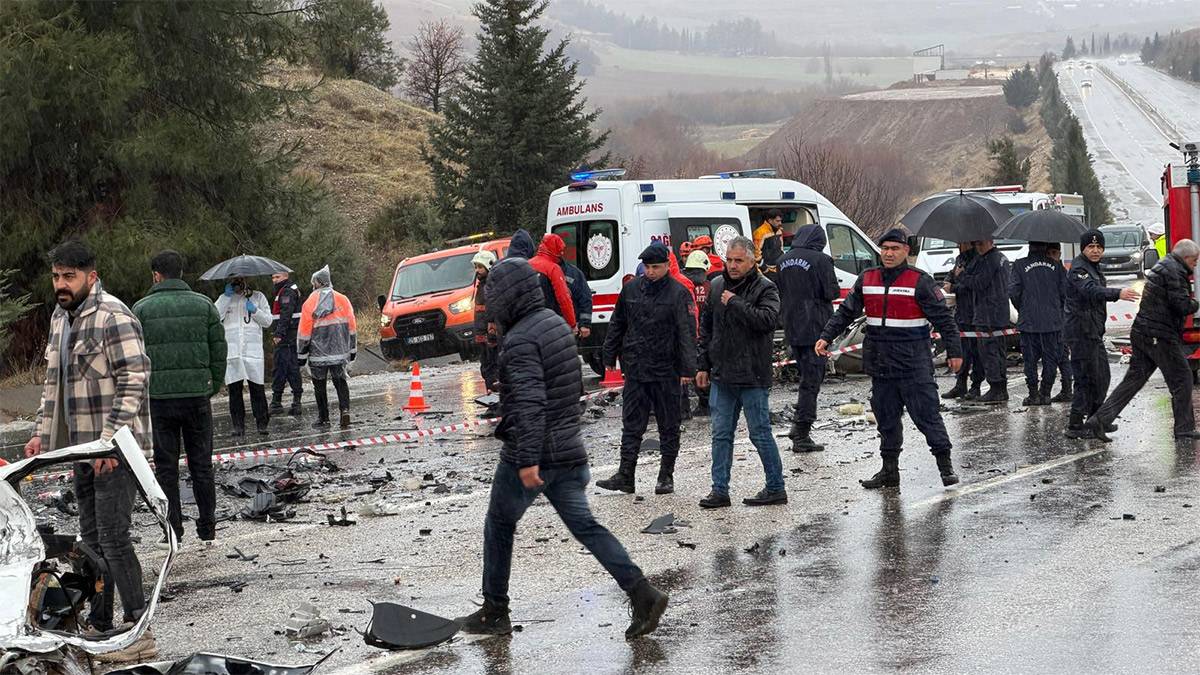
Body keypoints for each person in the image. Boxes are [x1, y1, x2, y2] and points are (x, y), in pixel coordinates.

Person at [455, 258, 668, 639]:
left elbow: (530, 402)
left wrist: (527, 459)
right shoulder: (554, 324)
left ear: (507, 298)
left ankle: (495, 610)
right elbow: (568, 391)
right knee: (586, 526)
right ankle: (642, 593)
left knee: (499, 524)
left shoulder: (520, 340)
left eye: (494, 297)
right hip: (568, 448)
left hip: (533, 453)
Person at [24, 241, 157, 661]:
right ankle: (102, 627)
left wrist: (111, 439)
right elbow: (53, 386)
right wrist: (40, 434)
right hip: (81, 450)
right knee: (93, 542)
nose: (61, 284)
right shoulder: (59, 319)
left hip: (116, 452)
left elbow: (135, 379)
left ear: (91, 276)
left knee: (114, 539)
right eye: (56, 276)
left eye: (70, 276)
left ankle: (139, 631)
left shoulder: (114, 316)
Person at [817, 229, 964, 489]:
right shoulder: (868, 278)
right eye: (885, 248)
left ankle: (945, 467)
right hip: (881, 364)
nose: (888, 253)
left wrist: (955, 352)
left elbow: (945, 320)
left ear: (906, 251)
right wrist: (826, 337)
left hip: (913, 364)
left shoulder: (920, 281)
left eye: (895, 249)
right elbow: (846, 312)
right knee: (886, 420)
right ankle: (889, 471)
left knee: (927, 417)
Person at [132, 250, 225, 548]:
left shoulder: (141, 310)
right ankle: (208, 529)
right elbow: (219, 351)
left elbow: (133, 357)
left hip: (159, 399)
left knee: (166, 468)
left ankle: (173, 531)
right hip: (197, 397)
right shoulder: (204, 305)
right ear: (181, 273)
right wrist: (211, 385)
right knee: (202, 465)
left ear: (156, 275)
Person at [596, 243, 696, 495]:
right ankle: (625, 475)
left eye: (656, 267)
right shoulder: (631, 289)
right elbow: (617, 323)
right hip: (637, 368)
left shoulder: (678, 293)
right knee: (631, 424)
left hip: (666, 370)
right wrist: (609, 354)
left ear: (667, 266)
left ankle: (666, 476)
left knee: (669, 424)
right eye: (647, 267)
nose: (650, 272)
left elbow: (686, 332)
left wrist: (688, 369)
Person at [696, 236, 787, 508]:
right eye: (729, 259)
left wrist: (736, 302)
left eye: (738, 260)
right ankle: (719, 490)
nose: (733, 265)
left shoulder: (766, 287)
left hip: (752, 375)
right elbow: (706, 329)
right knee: (720, 435)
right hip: (723, 375)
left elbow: (768, 321)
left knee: (759, 433)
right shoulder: (716, 285)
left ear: (752, 261)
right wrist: (703, 365)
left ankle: (776, 487)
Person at [1083, 240, 1200, 441]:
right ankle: (1184, 428)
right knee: (1182, 378)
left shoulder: (1165, 265)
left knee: (1134, 380)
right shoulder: (1175, 272)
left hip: (1142, 331)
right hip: (1159, 335)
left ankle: (1100, 420)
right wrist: (1195, 303)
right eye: (1195, 260)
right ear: (1186, 257)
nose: (1195, 264)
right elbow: (1181, 305)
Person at [1063, 229, 1140, 438]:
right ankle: (1076, 425)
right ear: (1083, 248)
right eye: (1091, 247)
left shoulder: (1093, 267)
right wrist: (1118, 293)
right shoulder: (1079, 269)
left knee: (1101, 378)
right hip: (1081, 332)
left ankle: (1096, 421)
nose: (1095, 250)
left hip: (1092, 331)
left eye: (1099, 247)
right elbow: (1090, 290)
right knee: (1085, 379)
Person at [776, 224, 839, 452]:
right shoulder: (822, 260)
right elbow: (831, 292)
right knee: (812, 381)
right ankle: (801, 432)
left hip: (792, 326)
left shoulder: (782, 260)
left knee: (806, 377)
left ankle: (799, 427)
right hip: (816, 327)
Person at [951, 239, 1010, 404]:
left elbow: (979, 283)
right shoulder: (1000, 257)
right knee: (997, 351)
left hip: (988, 312)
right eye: (976, 244)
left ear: (990, 241)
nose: (978, 247)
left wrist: (961, 275)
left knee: (989, 352)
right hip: (997, 311)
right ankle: (1000, 388)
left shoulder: (990, 260)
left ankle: (996, 388)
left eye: (981, 244)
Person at [1009, 242, 1067, 406]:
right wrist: (1056, 309)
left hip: (1029, 321)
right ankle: (1046, 394)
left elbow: (1013, 292)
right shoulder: (1057, 266)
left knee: (1030, 360)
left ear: (1029, 246)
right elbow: (1065, 293)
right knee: (1051, 359)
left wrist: (1023, 308)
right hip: (1052, 322)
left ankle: (1033, 394)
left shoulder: (1019, 265)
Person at [299, 265, 357, 429]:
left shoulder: (309, 302)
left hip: (317, 354)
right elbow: (352, 326)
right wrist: (352, 351)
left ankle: (324, 418)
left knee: (319, 385)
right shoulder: (343, 299)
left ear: (317, 282)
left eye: (313, 282)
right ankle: (345, 411)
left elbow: (304, 332)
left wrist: (301, 356)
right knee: (340, 381)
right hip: (339, 351)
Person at [216, 277, 272, 436]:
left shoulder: (258, 297)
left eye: (240, 280)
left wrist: (255, 311)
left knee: (257, 388)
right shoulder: (225, 298)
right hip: (233, 351)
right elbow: (215, 316)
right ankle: (238, 426)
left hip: (252, 351)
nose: (238, 283)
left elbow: (267, 321)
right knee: (234, 391)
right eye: (235, 280)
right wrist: (225, 297)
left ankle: (262, 423)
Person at [508, 230, 577, 329]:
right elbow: (564, 299)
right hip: (549, 323)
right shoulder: (553, 268)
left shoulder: (526, 265)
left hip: (526, 323)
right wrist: (572, 324)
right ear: (557, 251)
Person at [941, 243, 981, 400]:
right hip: (961, 312)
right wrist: (950, 284)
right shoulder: (960, 259)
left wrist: (954, 286)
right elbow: (950, 278)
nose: (958, 245)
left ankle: (976, 386)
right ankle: (960, 384)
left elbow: (973, 285)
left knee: (976, 352)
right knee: (962, 351)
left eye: (961, 243)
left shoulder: (978, 260)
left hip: (975, 312)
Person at [269, 270, 303, 416]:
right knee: (289, 368)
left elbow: (286, 314)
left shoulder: (287, 291)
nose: (274, 280)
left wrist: (279, 333)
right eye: (273, 277)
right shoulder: (286, 290)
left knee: (283, 368)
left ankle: (279, 402)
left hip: (287, 336)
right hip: (290, 335)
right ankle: (292, 401)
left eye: (277, 277)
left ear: (286, 276)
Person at [683, 250, 713, 416]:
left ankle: (699, 405)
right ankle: (706, 403)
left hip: (691, 334)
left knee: (694, 369)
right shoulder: (710, 286)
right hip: (703, 333)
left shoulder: (681, 284)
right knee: (703, 368)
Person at [1046, 243, 1075, 403]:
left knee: (1062, 356)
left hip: (1060, 320)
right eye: (1049, 253)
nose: (1051, 256)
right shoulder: (1051, 271)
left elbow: (1066, 296)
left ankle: (1066, 389)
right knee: (1061, 356)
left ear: (1059, 254)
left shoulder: (1061, 272)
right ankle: (1066, 389)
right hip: (1054, 319)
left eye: (1054, 253)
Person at [472, 250, 500, 393]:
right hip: (482, 332)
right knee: (486, 366)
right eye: (476, 267)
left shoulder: (491, 285)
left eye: (480, 267)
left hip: (490, 333)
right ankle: (491, 393)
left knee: (492, 366)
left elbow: (492, 308)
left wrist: (492, 330)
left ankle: (495, 394)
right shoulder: (482, 285)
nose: (477, 270)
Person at [559, 245, 593, 340]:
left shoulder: (574, 273)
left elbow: (585, 298)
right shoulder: (540, 271)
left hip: (570, 329)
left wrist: (585, 324)